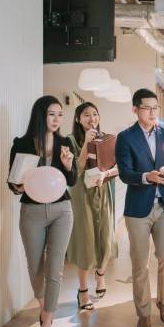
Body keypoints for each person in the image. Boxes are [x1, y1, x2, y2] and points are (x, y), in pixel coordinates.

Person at [7, 95, 77, 327]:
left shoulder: (66, 142)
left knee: (55, 269)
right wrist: (20, 184)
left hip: (61, 210)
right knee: (36, 266)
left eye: (60, 114)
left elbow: (72, 181)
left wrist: (69, 165)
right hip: (32, 211)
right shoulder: (22, 143)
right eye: (51, 114)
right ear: (40, 115)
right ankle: (44, 306)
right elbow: (12, 185)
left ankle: (46, 323)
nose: (57, 119)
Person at [115, 88, 164, 327]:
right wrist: (148, 176)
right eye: (148, 107)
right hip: (138, 209)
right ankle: (143, 312)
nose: (153, 112)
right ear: (135, 109)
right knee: (140, 263)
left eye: (156, 108)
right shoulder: (125, 137)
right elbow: (125, 173)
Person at [66, 102, 115, 311]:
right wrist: (86, 143)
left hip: (103, 192)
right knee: (85, 241)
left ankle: (101, 275)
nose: (92, 118)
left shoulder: (107, 139)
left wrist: (107, 174)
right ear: (78, 118)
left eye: (95, 114)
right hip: (81, 196)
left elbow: (115, 167)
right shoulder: (69, 141)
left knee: (106, 238)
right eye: (86, 115)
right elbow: (75, 169)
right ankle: (83, 290)